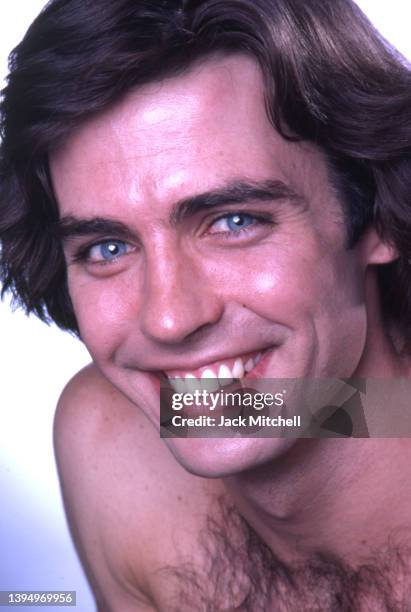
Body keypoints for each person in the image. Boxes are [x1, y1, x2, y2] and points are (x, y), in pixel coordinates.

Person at [1, 0, 411, 609]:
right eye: (108, 246)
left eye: (233, 221)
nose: (169, 318)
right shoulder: (110, 447)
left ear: (376, 216)